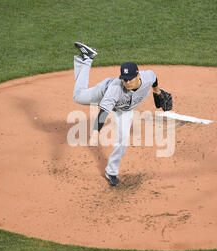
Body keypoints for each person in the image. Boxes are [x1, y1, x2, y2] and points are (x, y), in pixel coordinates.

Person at [72, 42, 172, 186]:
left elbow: (154, 77)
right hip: (103, 93)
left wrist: (157, 91)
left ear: (137, 75)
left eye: (130, 78)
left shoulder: (147, 77)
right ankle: (87, 59)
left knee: (123, 140)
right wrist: (95, 132)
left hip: (124, 110)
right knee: (78, 96)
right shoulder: (115, 89)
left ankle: (111, 171)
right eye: (124, 79)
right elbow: (103, 112)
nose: (127, 82)